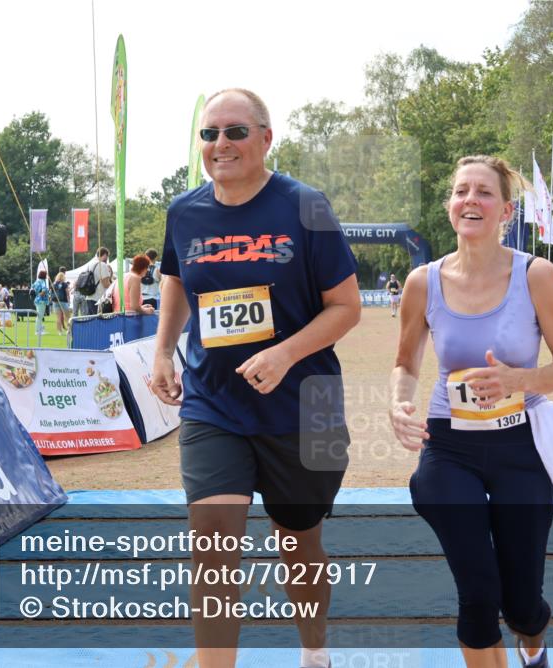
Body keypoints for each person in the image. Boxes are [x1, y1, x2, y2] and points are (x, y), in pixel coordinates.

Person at [149, 88, 360, 668]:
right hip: (214, 405)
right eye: (210, 133)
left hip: (303, 407)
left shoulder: (305, 206)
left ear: (266, 139)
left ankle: (314, 651)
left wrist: (285, 354)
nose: (221, 144)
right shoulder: (183, 212)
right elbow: (173, 278)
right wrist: (164, 350)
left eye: (236, 131)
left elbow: (346, 307)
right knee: (213, 544)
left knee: (300, 545)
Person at [389, 156, 553, 668]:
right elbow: (405, 362)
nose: (470, 200)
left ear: (506, 210)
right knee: (477, 593)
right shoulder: (421, 282)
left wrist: (521, 380)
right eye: (461, 192)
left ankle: (532, 643)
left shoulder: (536, 274)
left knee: (522, 604)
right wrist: (399, 402)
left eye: (483, 193)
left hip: (522, 445)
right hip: (448, 446)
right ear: (450, 206)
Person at [87, 247, 114, 316]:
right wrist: (114, 285)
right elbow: (105, 284)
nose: (107, 259)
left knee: (92, 323)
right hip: (99, 299)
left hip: (89, 297)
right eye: (107, 256)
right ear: (105, 255)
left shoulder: (90, 265)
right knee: (101, 323)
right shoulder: (102, 265)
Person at [30, 270, 50, 335]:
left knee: (40, 316)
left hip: (37, 300)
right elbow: (44, 290)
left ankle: (40, 330)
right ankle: (38, 331)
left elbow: (31, 290)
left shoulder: (36, 281)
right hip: (41, 300)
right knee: (40, 316)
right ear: (44, 276)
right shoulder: (43, 282)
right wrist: (40, 295)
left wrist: (37, 295)